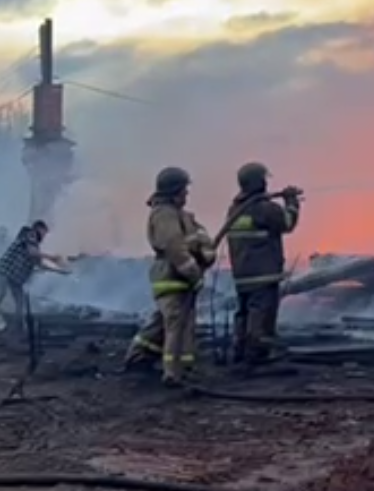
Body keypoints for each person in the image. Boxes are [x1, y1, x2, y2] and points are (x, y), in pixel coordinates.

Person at [124, 167, 213, 384]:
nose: (186, 195)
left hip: (181, 279)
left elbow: (203, 238)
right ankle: (172, 373)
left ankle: (172, 364)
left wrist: (206, 253)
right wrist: (193, 272)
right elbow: (174, 247)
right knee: (176, 325)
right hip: (171, 277)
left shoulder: (183, 216)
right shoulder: (164, 214)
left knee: (178, 323)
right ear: (175, 190)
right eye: (184, 190)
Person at [224, 162, 301, 368]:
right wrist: (291, 201)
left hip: (242, 274)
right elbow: (287, 222)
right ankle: (256, 356)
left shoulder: (235, 209)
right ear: (258, 182)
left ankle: (239, 352)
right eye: (264, 179)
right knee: (262, 316)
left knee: (243, 314)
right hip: (263, 274)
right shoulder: (264, 208)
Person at [0, 220, 61, 331]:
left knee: (19, 300)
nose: (45, 235)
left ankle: (18, 326)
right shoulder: (31, 234)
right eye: (44, 232)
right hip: (7, 270)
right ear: (39, 229)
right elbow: (32, 253)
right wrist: (51, 258)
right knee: (0, 295)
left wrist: (59, 271)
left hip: (15, 275)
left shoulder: (33, 242)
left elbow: (38, 263)